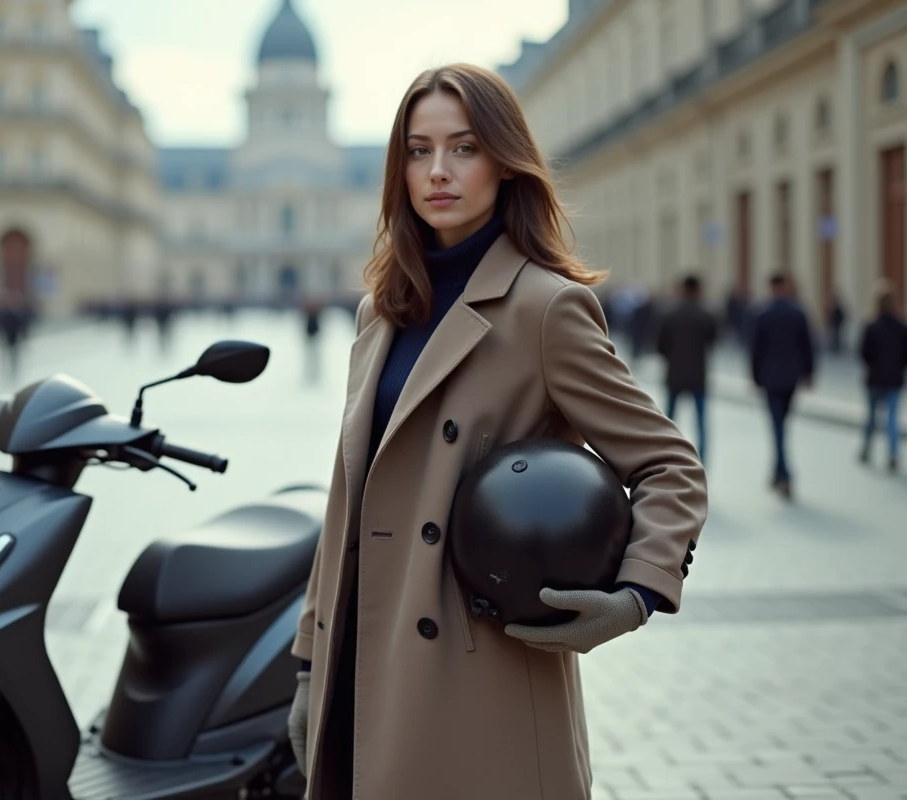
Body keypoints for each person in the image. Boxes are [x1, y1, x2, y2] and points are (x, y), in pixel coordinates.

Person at [284, 64, 708, 799]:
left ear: (506, 163)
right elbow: (346, 498)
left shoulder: (545, 308)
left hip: (480, 676)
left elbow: (670, 465)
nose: (437, 171)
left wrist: (636, 594)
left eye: (464, 148)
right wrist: (307, 662)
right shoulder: (380, 312)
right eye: (418, 151)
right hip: (362, 660)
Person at [750, 272, 815, 499]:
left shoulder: (762, 313)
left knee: (777, 426)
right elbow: (808, 345)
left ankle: (783, 474)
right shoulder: (798, 312)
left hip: (770, 377)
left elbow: (755, 349)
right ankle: (779, 472)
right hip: (791, 377)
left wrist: (755, 377)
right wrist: (809, 373)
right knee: (781, 425)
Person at [655, 274, 717, 464]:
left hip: (675, 375)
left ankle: (667, 455)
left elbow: (660, 346)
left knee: (669, 421)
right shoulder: (706, 315)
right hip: (698, 376)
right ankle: (702, 460)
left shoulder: (670, 315)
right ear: (698, 290)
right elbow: (713, 341)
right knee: (701, 422)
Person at [858, 283, 907, 472]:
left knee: (871, 416)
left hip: (875, 379)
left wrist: (873, 365)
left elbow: (863, 353)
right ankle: (892, 453)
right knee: (892, 419)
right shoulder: (901, 327)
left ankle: (866, 448)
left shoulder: (871, 326)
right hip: (894, 379)